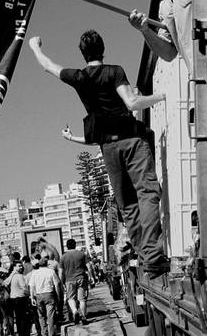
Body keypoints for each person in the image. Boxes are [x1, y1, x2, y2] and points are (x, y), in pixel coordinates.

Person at [28, 31, 169, 279]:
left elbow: (48, 66)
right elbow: (132, 103)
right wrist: (161, 96)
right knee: (147, 193)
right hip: (131, 141)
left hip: (108, 148)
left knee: (127, 205)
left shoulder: (79, 77)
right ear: (103, 49)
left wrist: (35, 47)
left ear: (82, 53)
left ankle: (146, 258)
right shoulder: (114, 71)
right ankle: (154, 257)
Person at [59, 239, 94, 325]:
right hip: (81, 278)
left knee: (71, 298)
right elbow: (89, 266)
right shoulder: (82, 254)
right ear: (75, 245)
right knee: (82, 299)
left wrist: (62, 282)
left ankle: (75, 311)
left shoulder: (63, 257)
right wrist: (91, 277)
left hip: (69, 280)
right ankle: (84, 317)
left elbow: (61, 272)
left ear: (67, 246)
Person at [28, 257, 62, 336]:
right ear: (47, 264)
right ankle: (51, 333)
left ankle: (44, 332)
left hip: (39, 295)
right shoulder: (51, 271)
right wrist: (58, 295)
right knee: (50, 315)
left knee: (41, 316)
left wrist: (32, 297)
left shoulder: (35, 273)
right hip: (49, 294)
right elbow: (56, 284)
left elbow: (31, 286)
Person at [4, 260, 31, 336]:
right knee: (24, 319)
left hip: (13, 300)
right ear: (14, 267)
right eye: (19, 266)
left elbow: (5, 283)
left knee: (18, 319)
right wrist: (30, 295)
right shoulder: (19, 276)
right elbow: (24, 289)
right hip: (21, 299)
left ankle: (20, 333)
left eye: (21, 265)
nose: (21, 267)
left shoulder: (11, 276)